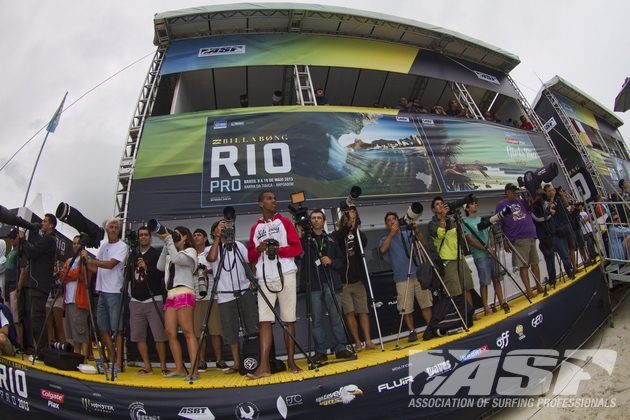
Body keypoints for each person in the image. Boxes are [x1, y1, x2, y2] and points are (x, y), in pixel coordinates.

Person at [247, 190, 303, 378]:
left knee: (289, 319)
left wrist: (277, 250)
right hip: (264, 277)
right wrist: (259, 249)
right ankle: (264, 366)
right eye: (269, 199)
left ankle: (291, 361)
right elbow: (250, 256)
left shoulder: (285, 222)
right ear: (261, 204)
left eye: (274, 198)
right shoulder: (255, 228)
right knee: (264, 321)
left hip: (285, 273)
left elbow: (297, 248)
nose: (273, 201)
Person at [300, 210, 355, 363]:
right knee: (316, 319)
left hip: (332, 282)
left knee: (336, 317)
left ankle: (341, 348)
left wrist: (331, 261)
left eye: (319, 218)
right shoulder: (305, 240)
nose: (316, 220)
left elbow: (341, 261)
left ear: (324, 221)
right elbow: (299, 258)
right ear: (310, 221)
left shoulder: (331, 239)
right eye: (313, 218)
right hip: (314, 285)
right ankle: (320, 352)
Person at [207, 219, 259, 374]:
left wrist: (252, 279)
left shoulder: (238, 246)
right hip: (224, 296)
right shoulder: (210, 249)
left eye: (226, 226)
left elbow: (251, 261)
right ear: (214, 231)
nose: (223, 229)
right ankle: (236, 363)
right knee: (230, 331)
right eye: (220, 227)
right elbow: (211, 259)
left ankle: (256, 360)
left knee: (252, 326)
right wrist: (217, 238)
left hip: (243, 291)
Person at [81, 217, 128, 373]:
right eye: (111, 227)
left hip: (115, 291)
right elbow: (97, 269)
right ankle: (113, 357)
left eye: (116, 227)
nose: (113, 229)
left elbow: (110, 265)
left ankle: (119, 363)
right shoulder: (103, 246)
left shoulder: (122, 246)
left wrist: (91, 260)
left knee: (117, 329)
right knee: (102, 328)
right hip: (102, 291)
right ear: (106, 229)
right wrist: (86, 260)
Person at [379, 211, 432, 341]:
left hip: (418, 274)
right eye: (389, 220)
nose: (392, 221)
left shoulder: (408, 234)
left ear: (398, 220)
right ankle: (412, 331)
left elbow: (423, 244)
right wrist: (391, 234)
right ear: (386, 225)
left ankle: (431, 327)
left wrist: (417, 231)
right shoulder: (384, 239)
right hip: (402, 278)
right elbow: (382, 250)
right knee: (405, 308)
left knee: (425, 303)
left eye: (394, 219)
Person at [157, 226, 199, 381]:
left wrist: (169, 240)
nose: (174, 237)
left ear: (185, 237)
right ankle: (179, 368)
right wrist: (165, 244)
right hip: (171, 294)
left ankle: (194, 370)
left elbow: (177, 259)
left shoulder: (190, 252)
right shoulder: (171, 253)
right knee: (170, 333)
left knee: (188, 331)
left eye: (177, 235)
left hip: (184, 291)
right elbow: (160, 267)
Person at [333, 206, 377, 352]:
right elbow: (337, 238)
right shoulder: (337, 236)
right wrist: (346, 228)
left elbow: (362, 244)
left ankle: (368, 341)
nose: (351, 221)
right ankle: (358, 343)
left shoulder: (360, 235)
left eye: (353, 219)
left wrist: (355, 229)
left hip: (358, 281)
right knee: (349, 313)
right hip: (344, 283)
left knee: (363, 311)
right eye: (348, 219)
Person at [129, 227, 169, 376]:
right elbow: (128, 275)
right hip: (136, 299)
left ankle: (163, 366)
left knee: (159, 335)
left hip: (153, 298)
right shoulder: (132, 255)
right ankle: (147, 366)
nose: (143, 237)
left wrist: (147, 268)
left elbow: (160, 273)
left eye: (146, 235)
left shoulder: (156, 253)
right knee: (138, 335)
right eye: (141, 235)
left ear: (150, 238)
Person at [427, 197, 477, 314]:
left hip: (459, 257)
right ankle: (462, 316)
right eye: (437, 204)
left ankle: (471, 313)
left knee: (467, 287)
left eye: (442, 204)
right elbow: (440, 234)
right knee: (455, 291)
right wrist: (444, 217)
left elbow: (459, 236)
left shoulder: (452, 220)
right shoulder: (432, 224)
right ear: (433, 209)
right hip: (447, 259)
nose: (440, 206)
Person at [19, 213, 57, 355]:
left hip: (40, 284)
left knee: (37, 317)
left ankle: (41, 350)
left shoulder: (49, 240)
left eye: (45, 221)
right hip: (39, 283)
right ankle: (41, 349)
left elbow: (32, 253)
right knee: (36, 316)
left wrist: (23, 240)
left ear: (51, 225)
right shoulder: (46, 239)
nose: (42, 223)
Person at [496, 184, 543, 298]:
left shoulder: (520, 201)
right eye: (512, 191)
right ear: (507, 192)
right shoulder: (502, 205)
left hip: (530, 235)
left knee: (535, 262)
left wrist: (535, 191)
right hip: (518, 238)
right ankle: (528, 290)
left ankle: (539, 285)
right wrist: (505, 241)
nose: (515, 193)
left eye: (515, 191)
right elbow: (499, 224)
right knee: (523, 265)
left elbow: (531, 203)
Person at [462, 200, 509, 314]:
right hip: (480, 255)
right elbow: (470, 240)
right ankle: (486, 306)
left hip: (491, 253)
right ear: (467, 208)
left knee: (496, 278)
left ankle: (502, 301)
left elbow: (490, 233)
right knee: (484, 282)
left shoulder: (482, 219)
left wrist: (492, 247)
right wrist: (485, 249)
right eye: (472, 204)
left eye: (475, 203)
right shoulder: (465, 222)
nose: (475, 205)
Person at [191, 228, 226, 371]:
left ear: (205, 238)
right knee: (199, 333)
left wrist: (207, 271)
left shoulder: (210, 250)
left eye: (199, 235)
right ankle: (201, 361)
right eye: (194, 235)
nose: (196, 237)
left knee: (215, 331)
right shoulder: (190, 253)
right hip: (194, 297)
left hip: (212, 295)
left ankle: (219, 360)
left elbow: (218, 267)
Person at [59, 235, 90, 359]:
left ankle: (85, 358)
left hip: (79, 299)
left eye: (78, 243)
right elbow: (62, 275)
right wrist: (72, 274)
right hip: (69, 299)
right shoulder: (69, 260)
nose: (76, 245)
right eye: (74, 243)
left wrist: (70, 274)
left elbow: (81, 273)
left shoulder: (85, 259)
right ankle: (77, 356)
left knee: (81, 330)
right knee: (72, 332)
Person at [543, 184, 576, 277]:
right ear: (545, 192)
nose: (551, 192)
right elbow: (550, 209)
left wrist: (561, 195)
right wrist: (552, 197)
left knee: (572, 246)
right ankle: (569, 269)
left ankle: (574, 267)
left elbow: (566, 204)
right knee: (565, 249)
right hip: (558, 228)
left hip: (566, 223)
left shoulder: (558, 198)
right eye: (549, 191)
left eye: (552, 190)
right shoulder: (546, 202)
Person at [5, 229, 26, 351]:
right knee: (9, 316)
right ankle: (12, 342)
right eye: (11, 238)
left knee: (16, 317)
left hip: (14, 285)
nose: (12, 240)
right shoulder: (12, 251)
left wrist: (19, 285)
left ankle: (20, 344)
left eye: (14, 238)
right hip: (8, 286)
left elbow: (24, 269)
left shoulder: (20, 252)